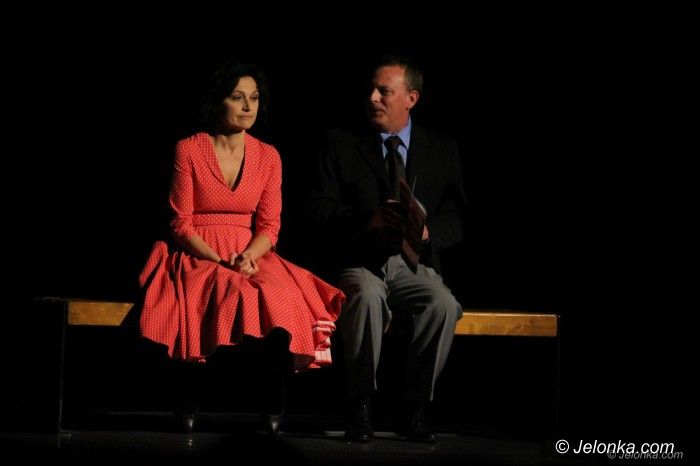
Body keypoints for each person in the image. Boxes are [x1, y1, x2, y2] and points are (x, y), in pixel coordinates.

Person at [138, 61, 345, 436]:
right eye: (238, 97)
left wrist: (249, 255)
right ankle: (188, 396)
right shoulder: (189, 149)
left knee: (278, 295)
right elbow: (180, 222)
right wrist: (218, 259)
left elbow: (269, 225)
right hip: (201, 250)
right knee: (212, 290)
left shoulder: (268, 156)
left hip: (251, 251)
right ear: (217, 102)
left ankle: (273, 397)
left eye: (254, 98)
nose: (248, 106)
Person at [307, 55, 467, 443]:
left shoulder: (440, 149)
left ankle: (415, 407)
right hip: (362, 259)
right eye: (371, 90)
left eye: (384, 91)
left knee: (443, 304)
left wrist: (427, 232)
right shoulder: (342, 143)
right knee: (365, 296)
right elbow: (318, 209)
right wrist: (369, 220)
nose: (373, 98)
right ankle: (361, 403)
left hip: (413, 263)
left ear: (411, 98)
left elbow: (457, 218)